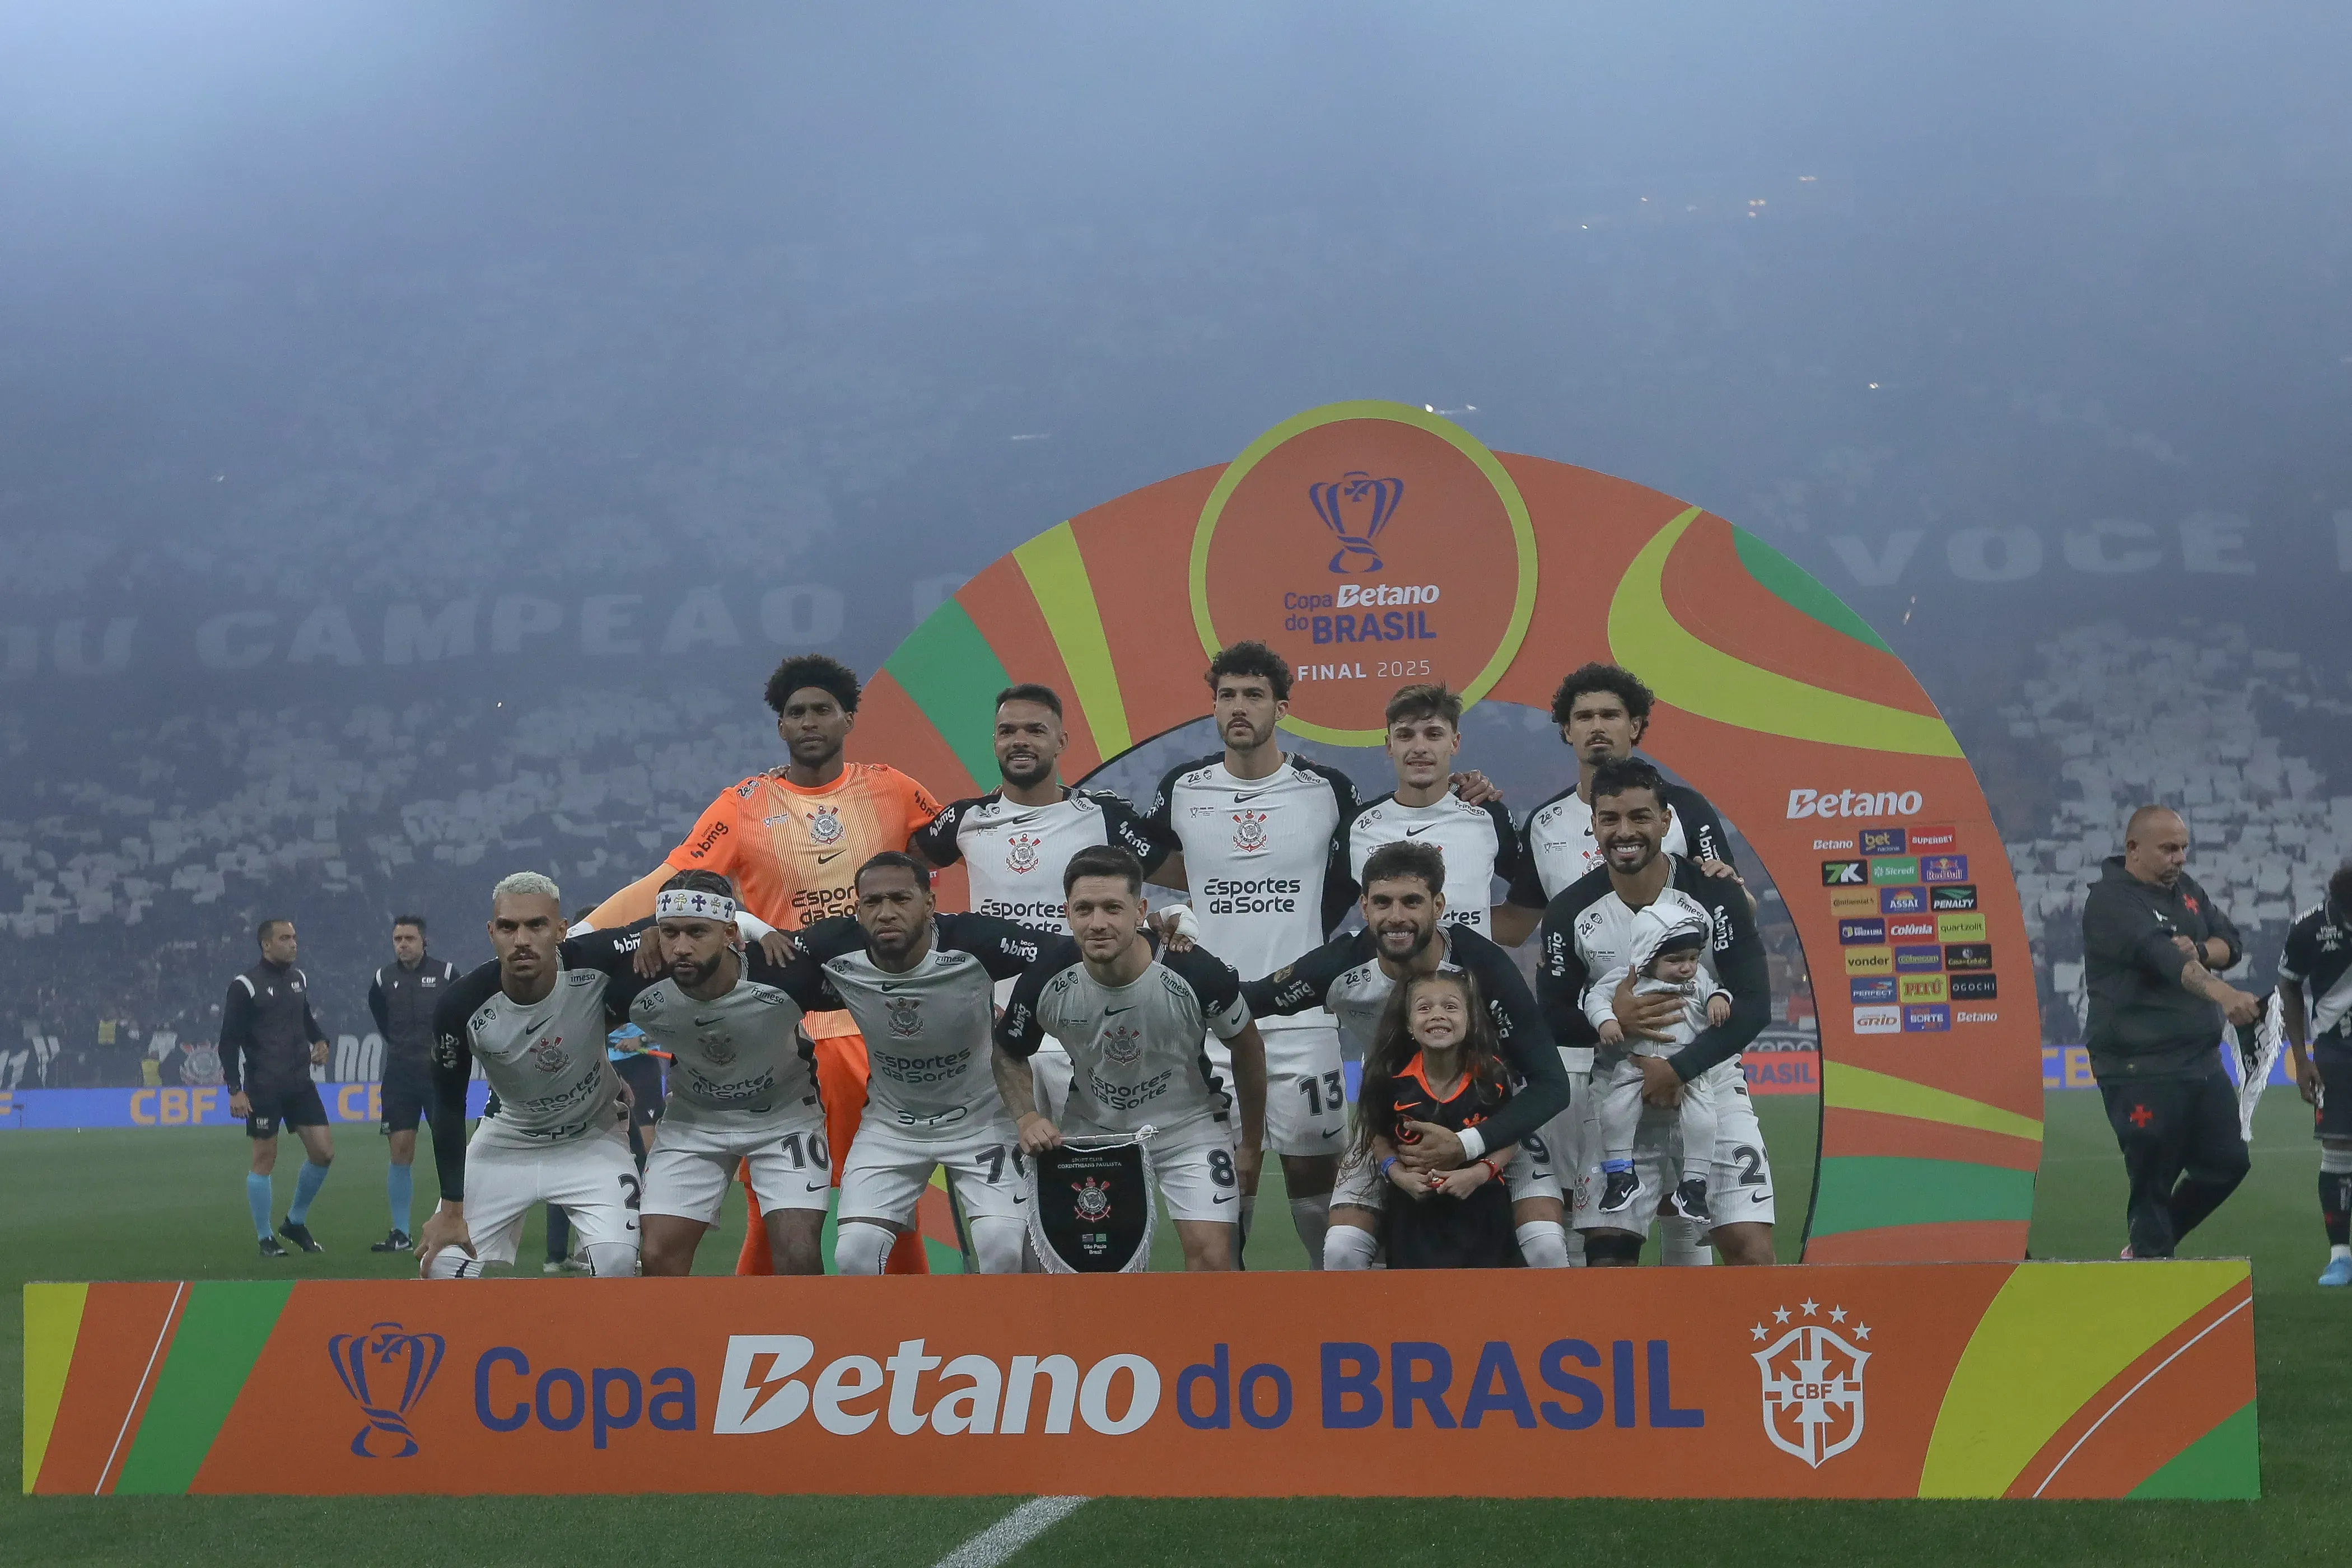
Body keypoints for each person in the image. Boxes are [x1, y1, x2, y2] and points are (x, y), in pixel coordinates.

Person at [577, 652, 940, 1276]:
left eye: (822, 709)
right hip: (784, 1031)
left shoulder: (894, 788)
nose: (809, 722)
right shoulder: (744, 804)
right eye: (795, 712)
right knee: (772, 1210)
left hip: (878, 1023)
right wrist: (580, 936)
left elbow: (971, 846)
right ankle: (757, 1347)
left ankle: (901, 1342)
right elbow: (666, 881)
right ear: (780, 726)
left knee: (888, 1201)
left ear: (848, 717)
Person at [1495, 661, 1761, 1268]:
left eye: (1610, 715)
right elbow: (1523, 919)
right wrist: (1439, 918)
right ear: (1565, 730)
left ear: (1636, 724)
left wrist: (1732, 894)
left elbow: (1732, 903)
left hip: (1685, 1030)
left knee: (1686, 1206)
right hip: (1595, 1045)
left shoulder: (1685, 809)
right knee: (1601, 1214)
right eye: (1584, 716)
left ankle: (1687, 1340)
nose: (1597, 728)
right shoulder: (1546, 823)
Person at [1248, 839, 1572, 1268]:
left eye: (1412, 902)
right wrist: (1162, 949)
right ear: (1364, 907)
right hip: (1389, 1123)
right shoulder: (1341, 964)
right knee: (1342, 1251)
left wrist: (1467, 1144)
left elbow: (1552, 1085)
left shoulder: (1484, 968)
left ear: (1438, 905)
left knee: (1547, 1247)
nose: (1396, 917)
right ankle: (1365, 1335)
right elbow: (1245, 1000)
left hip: (1494, 1124)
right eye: (1382, 903)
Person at [1137, 640, 1357, 1264]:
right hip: (1209, 1025)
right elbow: (1143, 859)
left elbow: (1361, 867)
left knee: (1319, 1198)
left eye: (1254, 695)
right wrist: (1168, 916)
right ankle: (1229, 1332)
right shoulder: (1183, 786)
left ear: (1281, 707)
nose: (1239, 707)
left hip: (1304, 1020)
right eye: (1227, 695)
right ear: (1213, 706)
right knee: (1229, 1184)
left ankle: (1339, 1318)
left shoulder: (1327, 788)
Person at [1538, 758, 1773, 1266]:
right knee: (1606, 1264)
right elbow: (1552, 1014)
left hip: (1710, 1082)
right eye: (1610, 819)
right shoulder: (1568, 912)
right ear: (1594, 825)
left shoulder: (1716, 893)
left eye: (1640, 817)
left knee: (1750, 1250)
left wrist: (1679, 1069)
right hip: (1621, 1086)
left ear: (1666, 822)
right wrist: (1609, 1020)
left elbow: (1754, 1004)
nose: (1625, 832)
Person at [994, 845, 1269, 1271]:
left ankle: (1211, 1341)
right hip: (1095, 1133)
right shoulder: (1045, 978)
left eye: (1112, 908)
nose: (1098, 923)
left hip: (1189, 1130)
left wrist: (1250, 1144)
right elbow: (1009, 1053)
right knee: (1094, 1269)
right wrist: (1027, 1117)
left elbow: (1248, 1046)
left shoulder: (1195, 972)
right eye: (1084, 909)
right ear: (1067, 912)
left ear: (1140, 911)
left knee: (1215, 1259)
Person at [910, 682, 1164, 1122]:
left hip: (1081, 1028)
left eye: (1035, 730)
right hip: (992, 1031)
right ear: (994, 741)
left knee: (1091, 1175)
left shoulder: (1104, 817)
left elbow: (1186, 869)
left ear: (1061, 741)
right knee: (1001, 1182)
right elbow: (901, 862)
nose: (1020, 741)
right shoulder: (966, 818)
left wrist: (1172, 916)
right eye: (1007, 731)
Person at [794, 852, 1052, 1275]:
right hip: (893, 1126)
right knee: (854, 1255)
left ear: (929, 905)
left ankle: (1003, 1342)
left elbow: (1058, 953)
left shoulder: (972, 940)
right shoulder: (835, 945)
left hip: (981, 1121)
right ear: (857, 910)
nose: (887, 913)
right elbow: (765, 956)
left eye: (901, 899)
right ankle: (886, 1343)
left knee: (1002, 1251)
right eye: (873, 903)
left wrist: (1017, 1027)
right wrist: (750, 928)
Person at [417, 872, 645, 1280]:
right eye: (508, 927)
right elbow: (448, 1105)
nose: (521, 939)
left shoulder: (593, 958)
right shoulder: (459, 1006)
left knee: (617, 1265)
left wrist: (758, 932)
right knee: (441, 1266)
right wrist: (452, 1209)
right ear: (492, 933)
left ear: (561, 931)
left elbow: (669, 923)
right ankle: (492, 1345)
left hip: (591, 1137)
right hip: (509, 1139)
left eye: (536, 925)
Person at [622, 871, 834, 1277]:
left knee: (799, 1256)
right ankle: (677, 1342)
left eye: (697, 932)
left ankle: (803, 1340)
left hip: (784, 1117)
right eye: (670, 933)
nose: (681, 948)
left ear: (730, 933)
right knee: (657, 1257)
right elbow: (577, 1002)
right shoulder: (640, 977)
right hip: (694, 1120)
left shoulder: (784, 972)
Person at [2081, 805, 2261, 1261]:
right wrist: (2222, 994)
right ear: (2133, 849)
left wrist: (2201, 948)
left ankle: (2150, 1246)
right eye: (2168, 849)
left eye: (2183, 848)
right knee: (2153, 1180)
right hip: (2139, 1065)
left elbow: (2230, 942)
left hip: (2199, 1059)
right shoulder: (2111, 901)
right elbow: (2164, 960)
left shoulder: (2187, 891)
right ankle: (2151, 1266)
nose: (2179, 858)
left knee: (2228, 1164)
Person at [1354, 970, 1528, 1268]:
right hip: (1414, 1213)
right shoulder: (1389, 1079)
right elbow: (1378, 1134)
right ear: (1409, 1024)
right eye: (1424, 1008)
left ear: (1469, 1019)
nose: (1437, 1015)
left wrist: (1477, 1174)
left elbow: (1511, 1136)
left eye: (1450, 1007)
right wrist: (1398, 1175)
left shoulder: (1493, 1076)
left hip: (1482, 1209)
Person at [1587, 906, 1728, 1222]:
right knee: (1613, 1113)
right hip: (1635, 1065)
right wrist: (1606, 1021)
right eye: (1675, 960)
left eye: (1693, 958)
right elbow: (1594, 997)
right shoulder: (1628, 979)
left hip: (1688, 1069)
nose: (1687, 968)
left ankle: (1693, 1184)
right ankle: (1622, 1175)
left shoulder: (1701, 979)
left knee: (1704, 1121)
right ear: (1648, 954)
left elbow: (1717, 991)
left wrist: (1720, 1000)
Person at [1346, 684, 1520, 937]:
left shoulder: (1488, 815)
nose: (1420, 747)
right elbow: (1322, 911)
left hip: (1468, 977)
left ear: (1455, 742)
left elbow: (1532, 898)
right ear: (1389, 745)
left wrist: (1475, 942)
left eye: (1433, 735)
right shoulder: (1358, 827)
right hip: (1388, 978)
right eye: (1405, 735)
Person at [220, 918, 334, 1258]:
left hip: (300, 1083)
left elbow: (305, 1018)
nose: (293, 943)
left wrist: (320, 1039)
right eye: (285, 938)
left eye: (295, 937)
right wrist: (235, 1089)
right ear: (266, 945)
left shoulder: (298, 980)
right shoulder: (245, 985)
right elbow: (228, 1041)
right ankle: (265, 1238)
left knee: (324, 1153)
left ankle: (295, 1222)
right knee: (264, 1159)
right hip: (264, 1086)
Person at [365, 914, 457, 1254]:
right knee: (400, 1150)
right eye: (397, 939)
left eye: (409, 939)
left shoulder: (447, 974)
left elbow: (462, 1013)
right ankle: (400, 1233)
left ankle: (458, 1220)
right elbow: (380, 1017)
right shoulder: (382, 979)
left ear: (424, 942)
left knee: (448, 1148)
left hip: (438, 1076)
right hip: (400, 1076)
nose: (402, 945)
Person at [2279, 862, 2352, 1286]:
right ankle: (2340, 1257)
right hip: (2335, 1055)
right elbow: (2289, 985)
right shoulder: (2309, 928)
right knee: (2339, 1147)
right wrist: (2301, 1058)